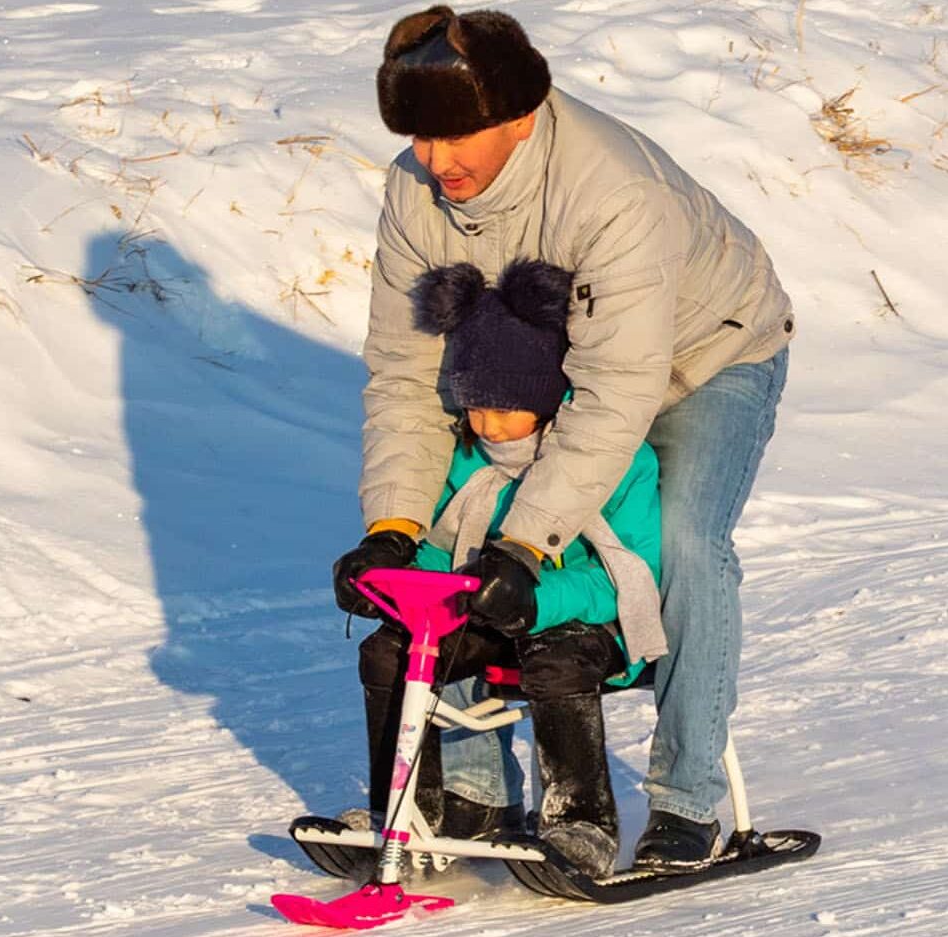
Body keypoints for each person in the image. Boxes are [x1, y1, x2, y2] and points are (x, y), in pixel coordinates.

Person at [332, 5, 794, 872]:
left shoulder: (613, 189)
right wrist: (393, 524)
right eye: (418, 139)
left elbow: (620, 390)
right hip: (537, 381)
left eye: (454, 137)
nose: (435, 162)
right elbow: (404, 375)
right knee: (448, 533)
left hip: (704, 358)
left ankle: (686, 799)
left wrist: (527, 541)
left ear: (520, 116)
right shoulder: (414, 191)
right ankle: (471, 791)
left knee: (686, 541)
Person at [344, 256, 664, 879]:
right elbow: (443, 550)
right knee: (390, 650)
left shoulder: (621, 462)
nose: (487, 427)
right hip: (493, 616)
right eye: (474, 409)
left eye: (504, 410)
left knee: (555, 655)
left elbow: (625, 579)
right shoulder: (467, 458)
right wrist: (388, 582)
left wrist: (539, 600)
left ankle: (580, 823)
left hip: (596, 627)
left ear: (545, 399)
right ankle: (413, 811)